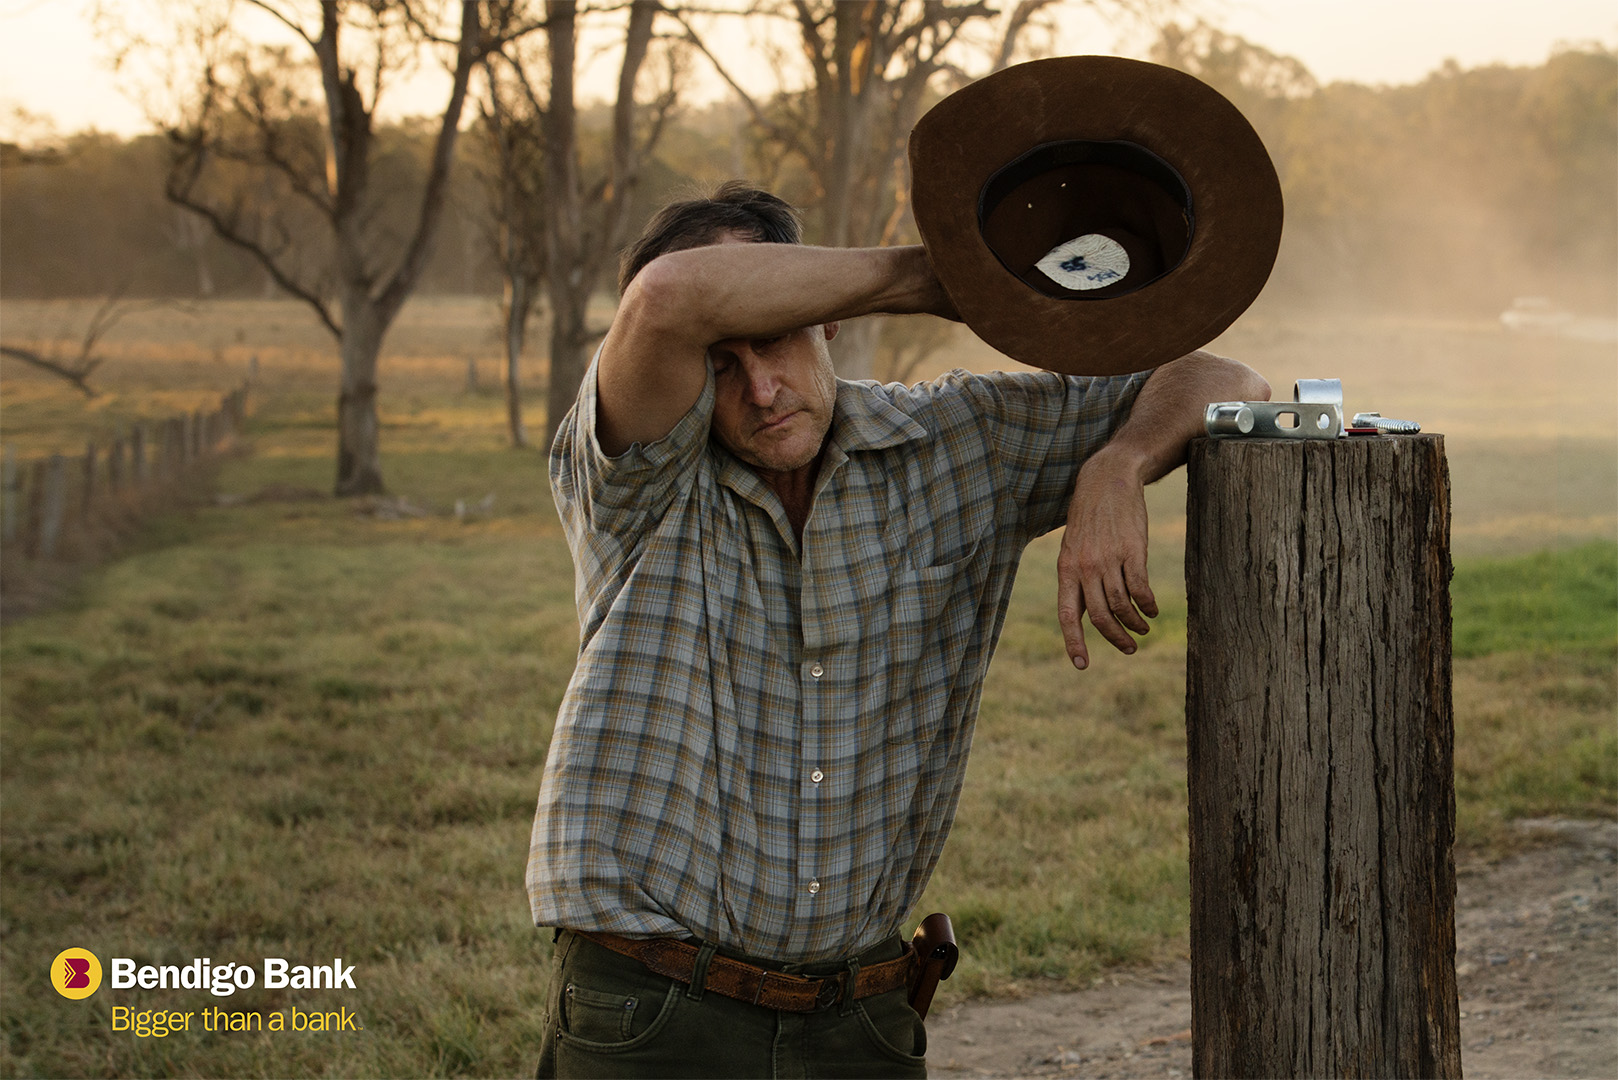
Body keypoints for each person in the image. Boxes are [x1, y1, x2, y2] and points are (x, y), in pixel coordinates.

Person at [527, 181, 1271, 1078]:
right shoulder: (629, 476)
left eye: (775, 339)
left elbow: (1225, 377)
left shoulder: (961, 441)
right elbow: (669, 298)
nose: (760, 390)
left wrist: (1120, 462)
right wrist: (943, 277)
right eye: (720, 363)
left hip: (861, 1022)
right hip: (652, 1018)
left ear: (825, 317)